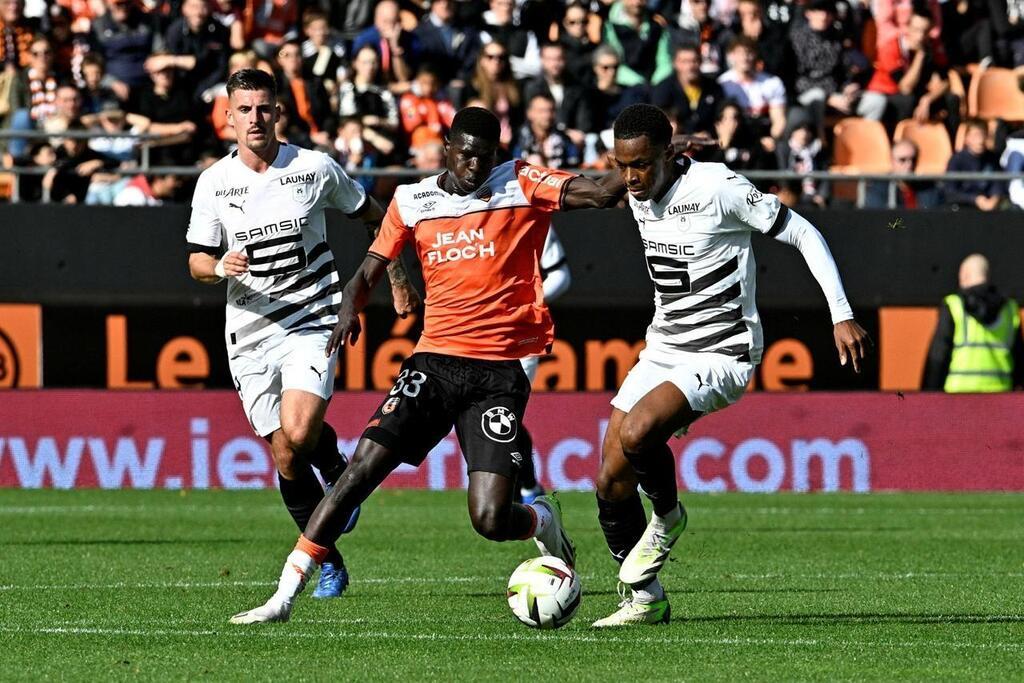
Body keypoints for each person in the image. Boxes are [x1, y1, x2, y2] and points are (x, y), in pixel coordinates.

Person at [227, 106, 630, 625]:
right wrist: (351, 304)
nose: (473, 166)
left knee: (489, 519)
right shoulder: (412, 199)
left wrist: (649, 162)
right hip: (433, 363)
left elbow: (598, 193)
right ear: (446, 146)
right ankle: (282, 596)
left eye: (484, 157)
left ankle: (541, 518)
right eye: (464, 154)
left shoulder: (522, 181)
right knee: (357, 474)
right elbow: (370, 265)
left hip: (497, 375)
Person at [591, 104, 870, 627]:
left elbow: (804, 233)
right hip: (664, 347)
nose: (630, 177)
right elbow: (636, 167)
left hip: (722, 351)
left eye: (642, 165)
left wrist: (841, 314)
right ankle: (644, 600)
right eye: (622, 164)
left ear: (667, 156)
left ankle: (668, 519)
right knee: (608, 479)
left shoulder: (718, 188)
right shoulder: (639, 182)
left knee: (637, 432)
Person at [185, 68, 420, 601]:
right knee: (288, 456)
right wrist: (219, 265)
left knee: (298, 426)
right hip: (248, 327)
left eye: (264, 108)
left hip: (312, 317)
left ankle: (334, 466)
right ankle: (330, 557)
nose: (255, 119)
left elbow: (375, 216)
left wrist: (398, 280)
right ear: (228, 117)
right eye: (244, 110)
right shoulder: (214, 183)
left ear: (278, 113)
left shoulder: (313, 168)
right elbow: (196, 260)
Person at [923, 254, 1023, 392]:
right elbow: (1019, 359)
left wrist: (928, 396)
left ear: (964, 275)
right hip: (1000, 396)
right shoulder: (1010, 309)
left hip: (958, 397)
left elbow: (938, 357)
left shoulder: (954, 305)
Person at [945, 119, 1005, 211]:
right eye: (976, 136)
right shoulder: (957, 160)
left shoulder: (993, 158)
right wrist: (975, 200)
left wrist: (994, 199)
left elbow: (998, 185)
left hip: (989, 209)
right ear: (967, 138)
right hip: (963, 209)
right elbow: (950, 192)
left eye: (983, 135)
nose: (980, 141)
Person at [864, 139, 941, 208]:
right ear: (892, 161)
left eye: (913, 160)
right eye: (902, 160)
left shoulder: (929, 188)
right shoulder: (877, 189)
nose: (909, 165)